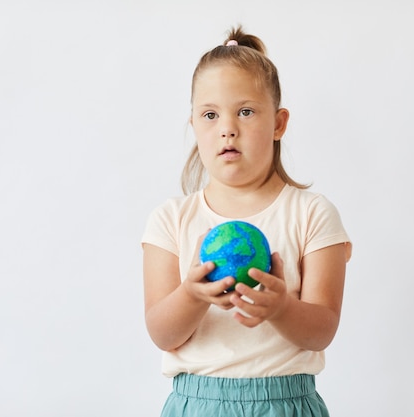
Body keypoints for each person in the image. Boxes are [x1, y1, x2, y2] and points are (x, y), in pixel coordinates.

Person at [141, 25, 352, 417]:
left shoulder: (313, 214)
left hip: (285, 404)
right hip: (197, 405)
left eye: (246, 111)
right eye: (210, 114)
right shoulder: (170, 219)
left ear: (278, 123)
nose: (227, 128)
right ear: (194, 126)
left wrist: (281, 308)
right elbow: (161, 333)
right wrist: (191, 295)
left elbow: (323, 330)